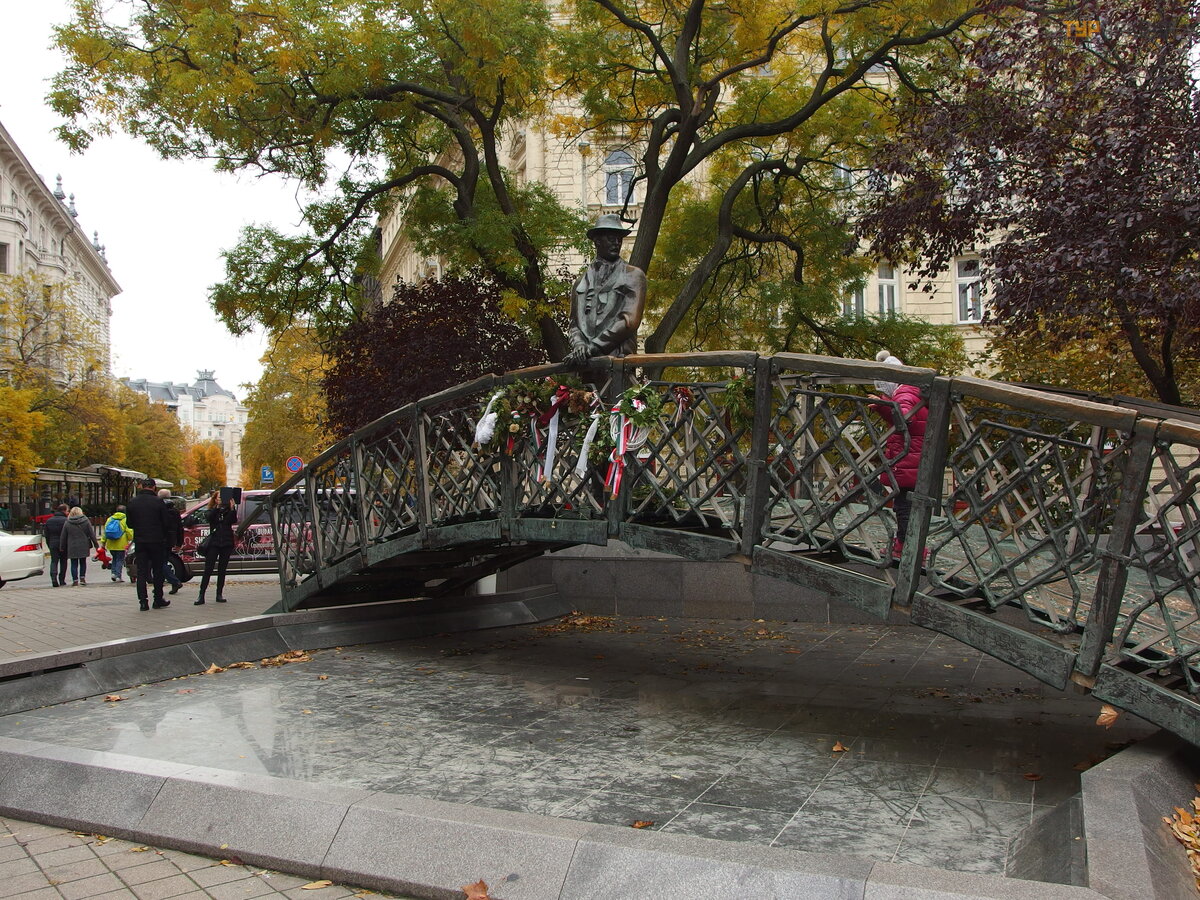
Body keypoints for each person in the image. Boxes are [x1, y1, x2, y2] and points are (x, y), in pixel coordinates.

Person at [564, 214, 647, 365]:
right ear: (597, 241)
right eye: (611, 238)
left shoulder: (634, 275)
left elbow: (629, 321)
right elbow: (574, 324)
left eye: (619, 239)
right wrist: (579, 345)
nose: (617, 243)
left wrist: (593, 348)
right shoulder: (580, 283)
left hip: (618, 364)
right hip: (585, 366)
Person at [869, 350, 928, 560]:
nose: (884, 393)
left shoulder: (903, 394)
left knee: (904, 506)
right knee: (908, 505)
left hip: (908, 458)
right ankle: (908, 544)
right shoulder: (913, 391)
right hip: (914, 458)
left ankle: (908, 546)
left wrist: (882, 406)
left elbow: (904, 419)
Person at [125, 477, 174, 610]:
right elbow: (166, 522)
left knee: (141, 572)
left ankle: (143, 601)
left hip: (140, 541)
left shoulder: (133, 502)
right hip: (157, 541)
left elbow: (129, 524)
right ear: (154, 487)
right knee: (157, 570)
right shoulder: (158, 502)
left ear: (141, 487)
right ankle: (158, 599)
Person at [195, 492, 237, 605]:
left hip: (226, 542)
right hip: (214, 542)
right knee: (208, 569)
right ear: (215, 499)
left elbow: (232, 521)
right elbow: (209, 518)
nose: (221, 499)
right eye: (219, 498)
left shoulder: (229, 511)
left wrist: (232, 508)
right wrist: (217, 508)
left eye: (223, 497)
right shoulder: (212, 510)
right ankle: (201, 595)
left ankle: (219, 594)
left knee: (222, 570)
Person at [60, 506, 98, 586]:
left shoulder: (68, 522)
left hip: (72, 545)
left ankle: (75, 580)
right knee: (83, 562)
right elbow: (91, 534)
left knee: (74, 563)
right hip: (84, 544)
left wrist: (62, 546)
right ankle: (82, 578)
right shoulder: (86, 521)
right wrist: (96, 545)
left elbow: (63, 536)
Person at [158, 489, 185, 595]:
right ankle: (161, 585)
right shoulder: (174, 510)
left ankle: (174, 581)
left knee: (160, 563)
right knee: (164, 561)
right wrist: (179, 543)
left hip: (160, 539)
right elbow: (180, 528)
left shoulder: (158, 509)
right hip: (170, 540)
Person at [102, 505, 133, 583]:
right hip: (121, 544)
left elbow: (105, 532)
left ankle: (113, 573)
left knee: (114, 558)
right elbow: (129, 531)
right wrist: (131, 539)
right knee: (120, 559)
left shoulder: (110, 519)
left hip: (111, 543)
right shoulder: (125, 519)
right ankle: (118, 576)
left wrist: (103, 543)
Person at [42, 504, 69, 587]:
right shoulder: (66, 520)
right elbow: (68, 533)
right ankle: (62, 580)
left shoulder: (49, 521)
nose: (68, 512)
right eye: (67, 511)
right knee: (63, 561)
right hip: (64, 544)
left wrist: (49, 544)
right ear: (64, 510)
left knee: (54, 561)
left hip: (53, 543)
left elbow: (46, 534)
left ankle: (53, 578)